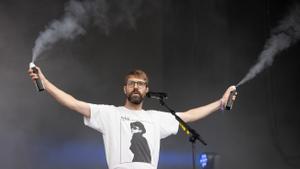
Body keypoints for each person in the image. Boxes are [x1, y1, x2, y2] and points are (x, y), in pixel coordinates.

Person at [28, 67, 237, 169]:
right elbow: (73, 102)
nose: (136, 86)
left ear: (146, 89)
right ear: (125, 88)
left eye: (140, 83)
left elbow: (189, 115)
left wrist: (220, 102)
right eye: (131, 83)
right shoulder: (109, 114)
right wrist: (45, 83)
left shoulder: (156, 118)